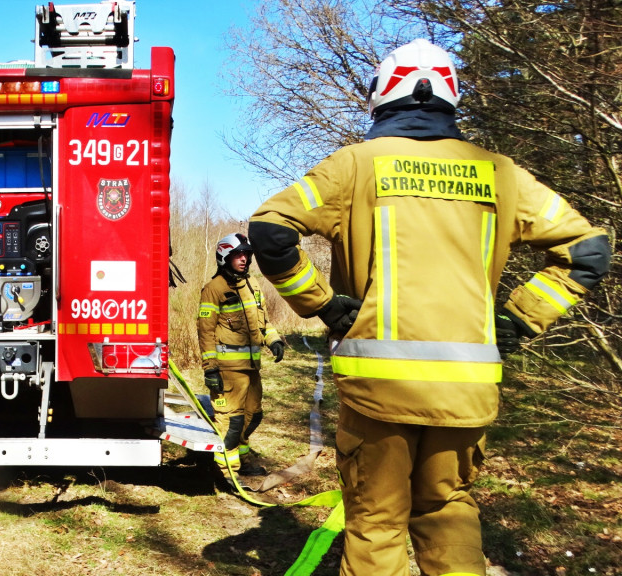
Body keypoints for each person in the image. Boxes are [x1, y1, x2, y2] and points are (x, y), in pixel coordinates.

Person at [248, 39, 611, 575]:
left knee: (376, 522)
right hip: (466, 388)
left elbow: (270, 229)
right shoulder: (499, 172)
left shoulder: (355, 165)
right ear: (450, 96)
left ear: (381, 95)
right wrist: (516, 319)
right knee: (448, 511)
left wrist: (323, 305)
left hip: (378, 389)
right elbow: (588, 249)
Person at [198, 232, 286, 479]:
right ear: (225, 256)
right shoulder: (213, 289)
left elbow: (263, 322)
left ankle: (243, 460)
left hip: (252, 368)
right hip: (228, 371)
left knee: (253, 416)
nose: (244, 259)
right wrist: (210, 368)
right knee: (232, 423)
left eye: (247, 255)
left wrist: (274, 340)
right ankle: (227, 472)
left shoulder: (252, 285)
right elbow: (205, 333)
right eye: (238, 255)